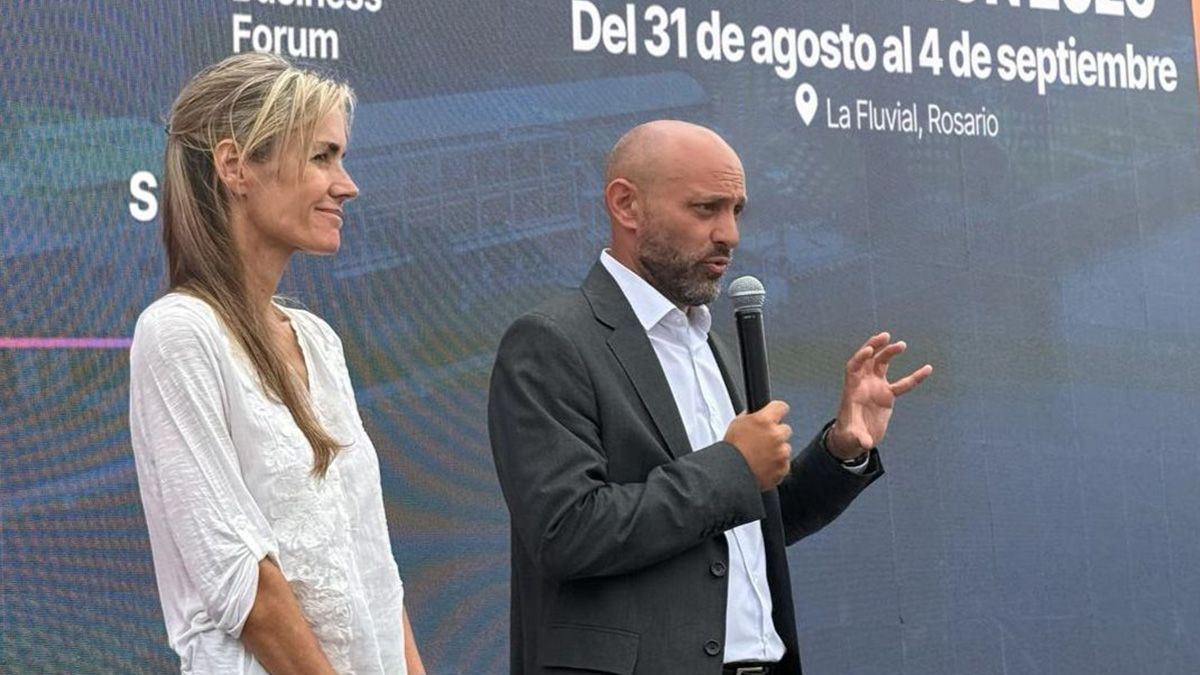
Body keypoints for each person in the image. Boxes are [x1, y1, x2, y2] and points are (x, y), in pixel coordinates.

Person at [488, 120, 932, 674]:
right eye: (705, 209)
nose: (730, 235)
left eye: (737, 210)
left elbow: (744, 526)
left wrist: (842, 450)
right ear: (625, 205)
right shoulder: (553, 342)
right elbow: (567, 531)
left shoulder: (712, 346)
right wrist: (733, 466)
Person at [128, 53, 425, 675]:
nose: (347, 184)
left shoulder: (317, 340)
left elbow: (373, 562)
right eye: (322, 156)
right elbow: (245, 586)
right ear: (235, 166)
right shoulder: (179, 334)